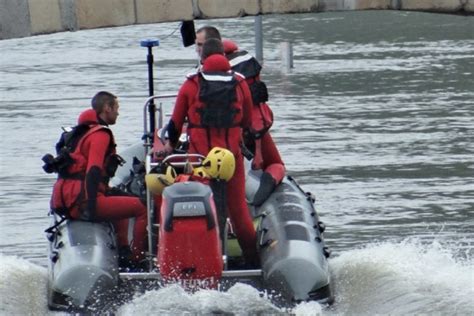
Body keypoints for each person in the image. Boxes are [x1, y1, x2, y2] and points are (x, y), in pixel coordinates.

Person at [163, 39, 258, 265]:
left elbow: (175, 122)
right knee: (239, 211)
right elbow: (246, 120)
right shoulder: (239, 83)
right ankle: (253, 261)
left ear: (202, 59)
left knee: (202, 209)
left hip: (200, 158)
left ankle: (202, 261)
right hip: (231, 158)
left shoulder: (191, 84)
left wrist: (169, 145)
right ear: (225, 59)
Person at [49, 91, 148, 266]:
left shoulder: (81, 133)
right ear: (106, 108)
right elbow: (93, 170)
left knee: (122, 198)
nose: (118, 113)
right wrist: (91, 204)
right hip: (82, 200)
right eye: (116, 108)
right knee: (142, 208)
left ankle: (123, 250)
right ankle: (137, 259)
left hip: (67, 198)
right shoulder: (100, 135)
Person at [223, 39, 286, 205]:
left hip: (230, 131)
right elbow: (257, 105)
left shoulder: (211, 72)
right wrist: (258, 150)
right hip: (255, 126)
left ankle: (253, 197)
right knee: (276, 164)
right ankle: (265, 187)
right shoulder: (248, 67)